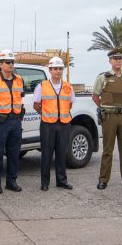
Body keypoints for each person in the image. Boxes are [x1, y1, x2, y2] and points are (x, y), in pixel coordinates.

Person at [92, 47, 122, 190]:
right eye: (115, 59)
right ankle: (103, 180)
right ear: (110, 61)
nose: (118, 61)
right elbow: (95, 96)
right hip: (109, 116)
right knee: (108, 149)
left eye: (120, 58)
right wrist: (104, 106)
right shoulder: (103, 77)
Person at [0, 49, 25, 194]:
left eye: (12, 62)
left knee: (14, 154)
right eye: (8, 62)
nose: (11, 64)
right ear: (0, 64)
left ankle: (11, 181)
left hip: (15, 121)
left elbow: (20, 96)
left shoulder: (19, 79)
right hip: (0, 122)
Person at [33, 56, 74, 191]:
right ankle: (45, 183)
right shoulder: (42, 86)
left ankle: (62, 181)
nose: (58, 71)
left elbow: (70, 104)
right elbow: (36, 105)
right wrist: (46, 114)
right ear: (50, 70)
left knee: (62, 153)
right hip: (47, 125)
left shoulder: (68, 87)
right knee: (46, 154)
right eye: (55, 69)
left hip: (63, 124)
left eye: (60, 69)